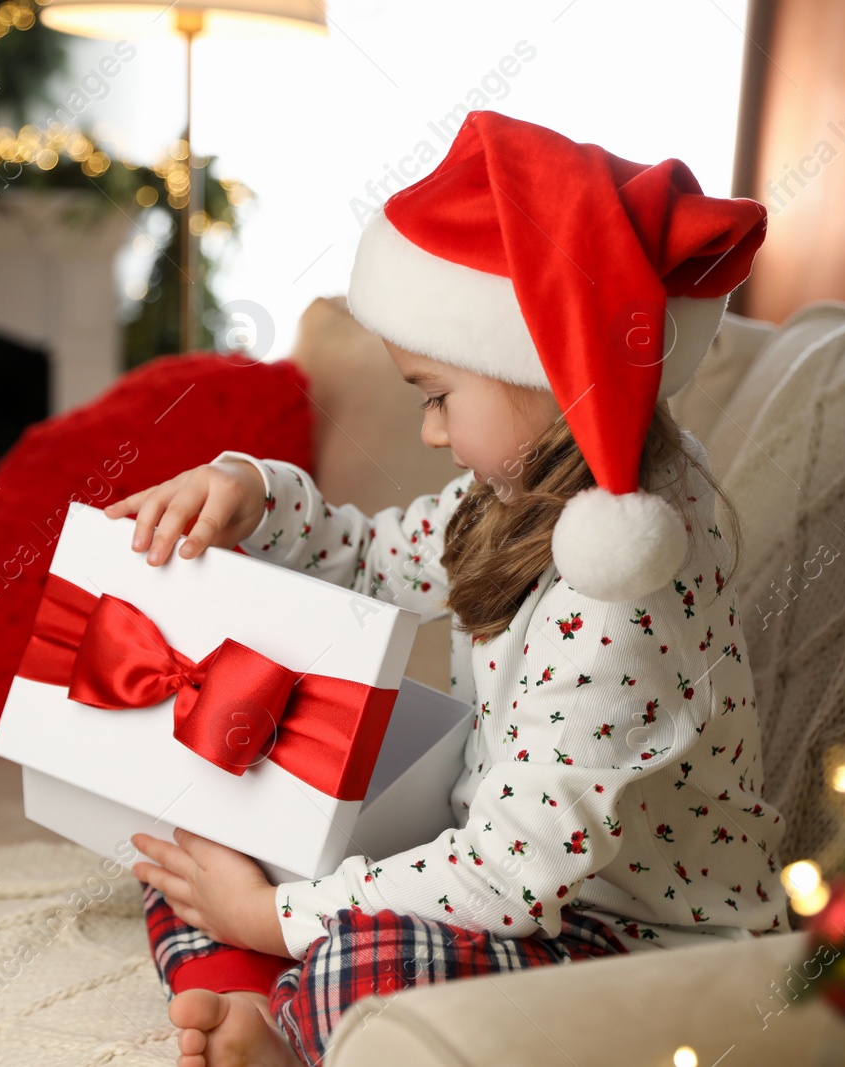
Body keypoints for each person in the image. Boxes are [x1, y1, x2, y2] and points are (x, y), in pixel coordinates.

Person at [104, 108, 787, 1067]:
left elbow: (515, 876)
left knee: (363, 959)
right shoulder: (515, 491)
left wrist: (269, 914)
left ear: (545, 369)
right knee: (206, 824)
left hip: (635, 939)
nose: (428, 431)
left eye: (436, 396)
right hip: (512, 868)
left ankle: (281, 1001)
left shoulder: (622, 590)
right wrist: (253, 492)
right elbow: (379, 558)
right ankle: (261, 1002)